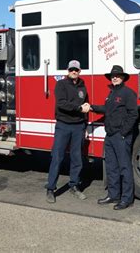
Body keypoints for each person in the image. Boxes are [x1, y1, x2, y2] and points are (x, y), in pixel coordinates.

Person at [90, 65, 138, 210]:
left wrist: (124, 132)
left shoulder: (128, 93)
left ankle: (126, 199)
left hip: (120, 136)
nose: (115, 77)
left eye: (117, 75)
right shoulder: (111, 93)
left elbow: (133, 114)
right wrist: (92, 107)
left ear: (123, 77)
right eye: (112, 76)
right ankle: (113, 195)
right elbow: (107, 109)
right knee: (111, 167)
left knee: (124, 167)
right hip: (110, 136)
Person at [45, 60, 90, 203]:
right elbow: (62, 104)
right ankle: (50, 189)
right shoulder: (61, 85)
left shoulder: (83, 86)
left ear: (79, 71)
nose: (74, 72)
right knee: (57, 157)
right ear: (67, 70)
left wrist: (86, 126)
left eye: (76, 69)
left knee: (77, 159)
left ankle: (74, 186)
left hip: (78, 127)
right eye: (71, 69)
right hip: (63, 125)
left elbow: (86, 108)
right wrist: (78, 109)